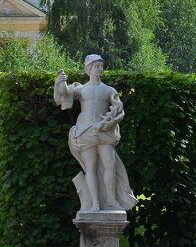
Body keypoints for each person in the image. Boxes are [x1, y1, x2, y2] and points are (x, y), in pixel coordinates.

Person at [53, 54, 136, 212]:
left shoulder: (109, 90)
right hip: (85, 131)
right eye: (96, 66)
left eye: (101, 66)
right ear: (89, 69)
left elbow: (119, 109)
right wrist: (60, 80)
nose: (100, 69)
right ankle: (95, 203)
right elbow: (63, 94)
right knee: (90, 167)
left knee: (110, 164)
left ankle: (111, 200)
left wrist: (113, 116)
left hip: (104, 132)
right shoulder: (81, 89)